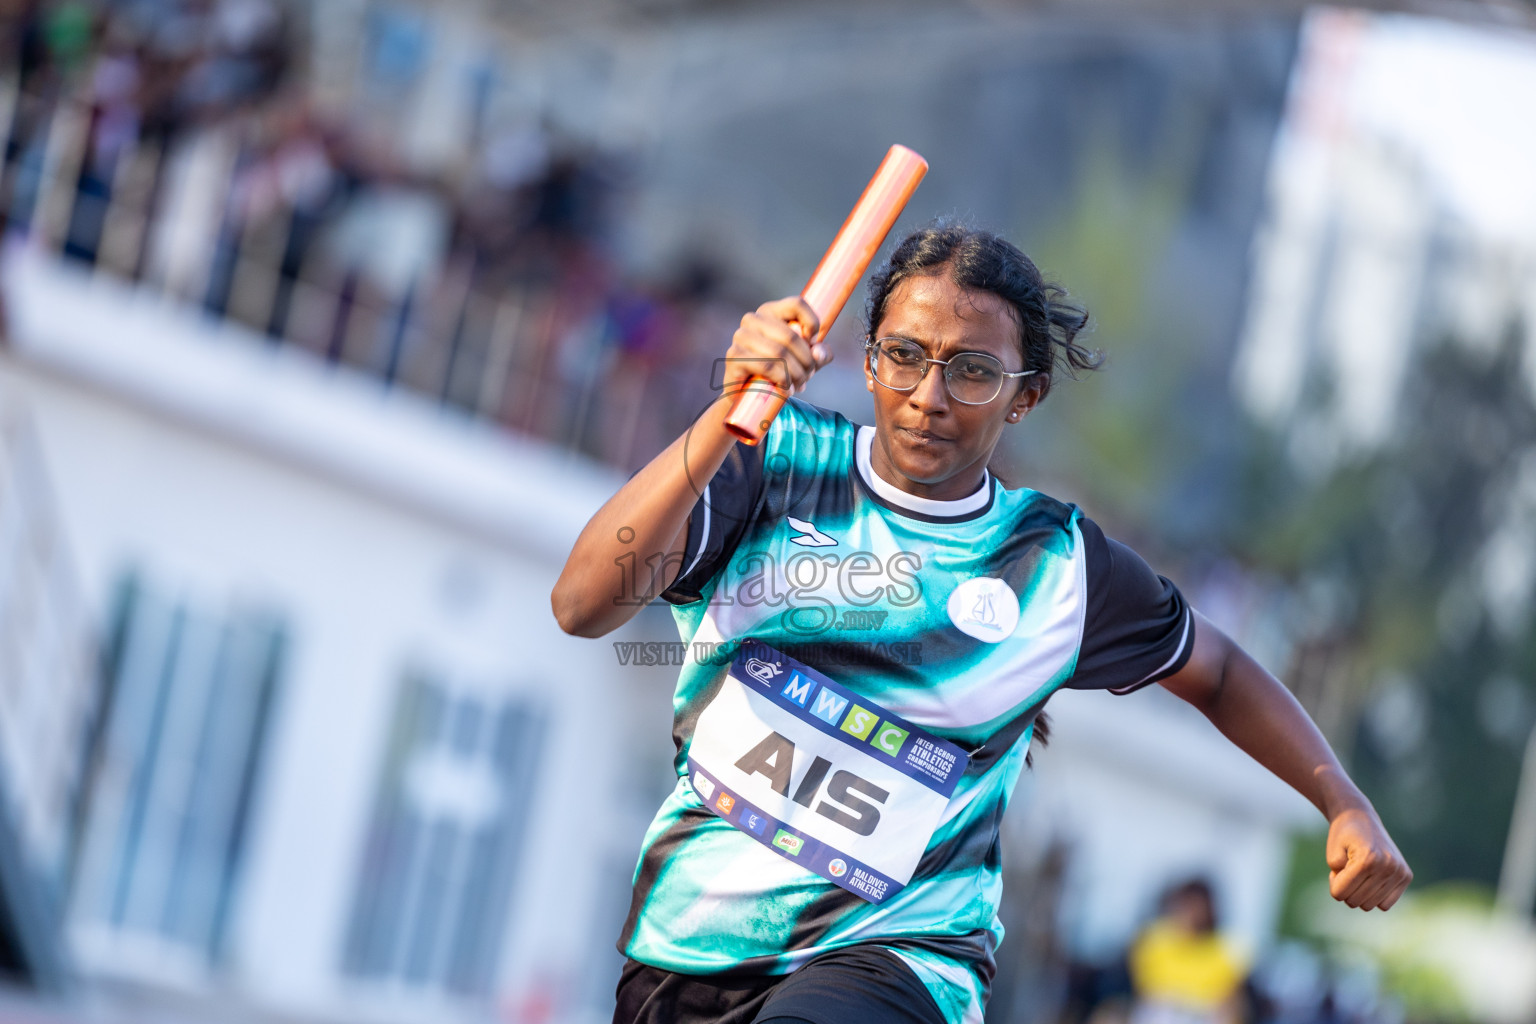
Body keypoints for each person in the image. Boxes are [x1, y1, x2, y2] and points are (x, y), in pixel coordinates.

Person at [551, 223, 1412, 1024]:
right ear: (869, 358)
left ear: (1024, 396)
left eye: (970, 370)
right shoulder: (773, 462)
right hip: (690, 940)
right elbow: (583, 605)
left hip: (900, 955)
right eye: (905, 357)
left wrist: (1341, 799)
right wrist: (724, 415)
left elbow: (1216, 670)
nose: (929, 395)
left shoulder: (1058, 567)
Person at [1128, 878, 1248, 1024]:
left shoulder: (1227, 950)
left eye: (1197, 908)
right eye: (1186, 906)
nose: (1191, 914)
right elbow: (1144, 993)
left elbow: (1231, 1004)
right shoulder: (1153, 939)